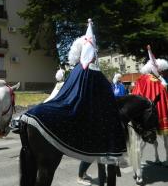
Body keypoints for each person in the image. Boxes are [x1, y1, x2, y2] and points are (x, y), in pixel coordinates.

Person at [21, 19, 126, 185]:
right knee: (112, 133)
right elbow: (109, 104)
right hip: (90, 122)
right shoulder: (96, 75)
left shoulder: (75, 71)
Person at [132, 45, 168, 166]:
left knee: (142, 139)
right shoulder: (158, 81)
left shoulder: (141, 80)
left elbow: (135, 95)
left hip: (144, 114)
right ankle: (165, 158)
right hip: (159, 112)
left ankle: (138, 162)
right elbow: (163, 98)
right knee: (165, 138)